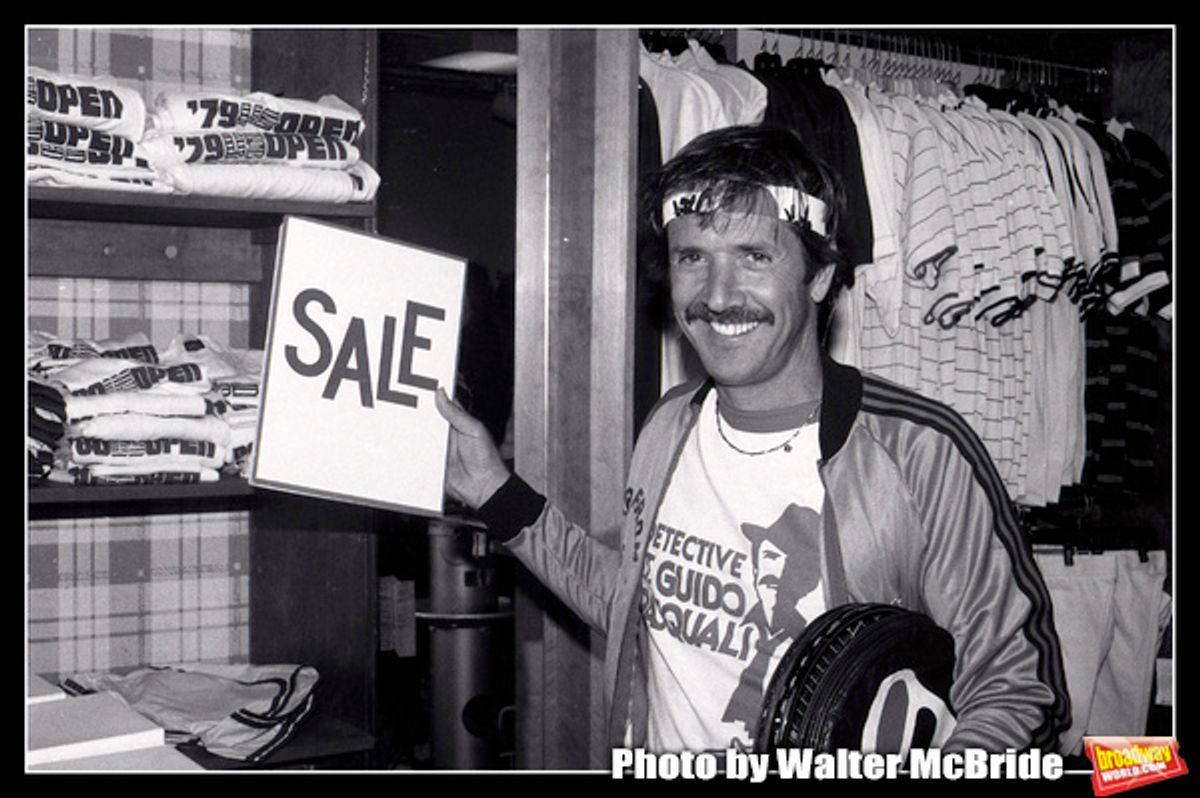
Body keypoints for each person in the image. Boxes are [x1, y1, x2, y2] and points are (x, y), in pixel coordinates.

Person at [434, 124, 1071, 755]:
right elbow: (636, 603)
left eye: (754, 257)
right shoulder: (669, 426)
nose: (717, 295)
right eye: (693, 258)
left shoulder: (916, 452)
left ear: (819, 277)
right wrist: (494, 490)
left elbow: (1018, 686)